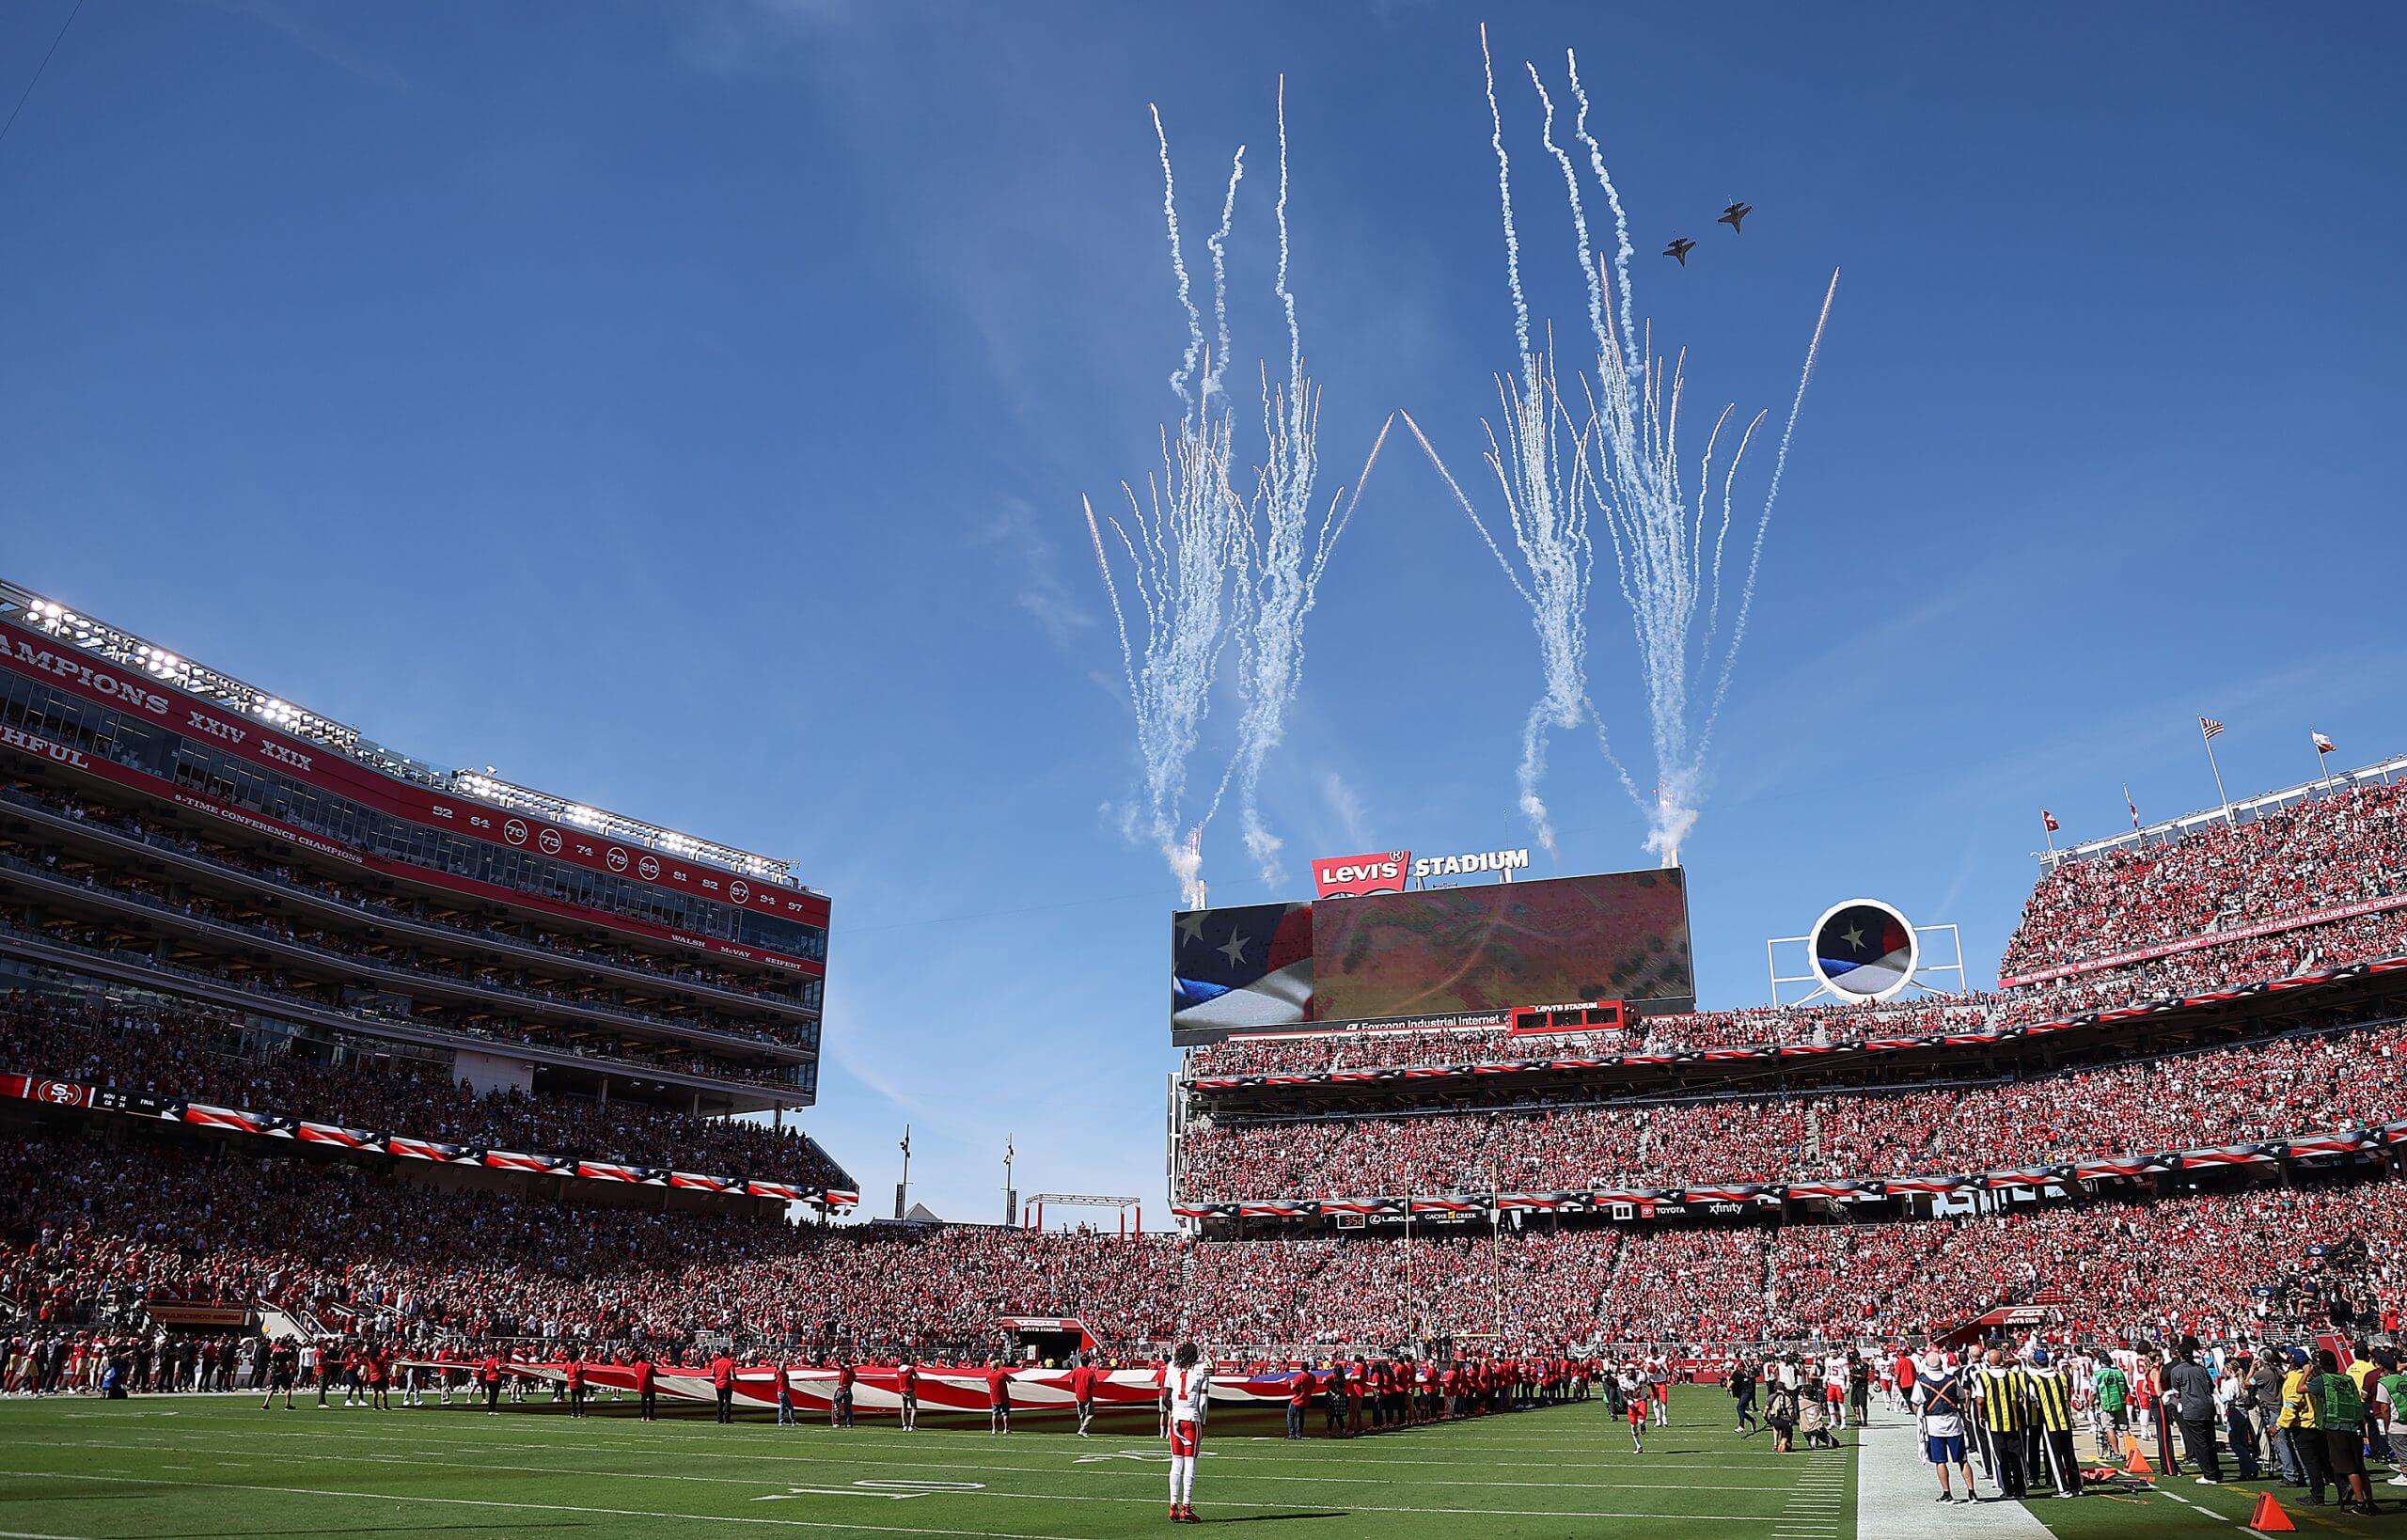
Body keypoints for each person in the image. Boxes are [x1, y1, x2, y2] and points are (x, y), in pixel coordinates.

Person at [2314, 1348, 2379, 1516]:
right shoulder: (2347, 1379)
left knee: (2350, 1468)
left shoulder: (2323, 1380)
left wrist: (2307, 1372)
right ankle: (2370, 1502)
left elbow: (2301, 1389)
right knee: (2360, 1467)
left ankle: (2360, 1503)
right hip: (2353, 1424)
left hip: (2335, 1426)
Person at [1914, 1353, 1977, 1506]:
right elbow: (1962, 1397)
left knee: (1940, 1460)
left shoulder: (1921, 1381)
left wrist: (1920, 1416)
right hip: (1953, 1421)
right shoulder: (1952, 1379)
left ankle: (1947, 1493)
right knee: (1962, 1459)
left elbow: (1915, 1403)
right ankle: (1972, 1492)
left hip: (1934, 1424)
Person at [2165, 1337, 2222, 1484]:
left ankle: (2209, 1474)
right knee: (2210, 1440)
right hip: (2207, 1406)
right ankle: (2215, 1471)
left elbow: (2177, 1393)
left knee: (2200, 1443)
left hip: (2192, 1409)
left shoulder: (2177, 1370)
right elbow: (2211, 1387)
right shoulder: (2201, 1369)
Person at [2026, 1349, 2082, 1498]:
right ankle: (2076, 1486)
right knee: (2069, 1455)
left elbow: (2033, 1398)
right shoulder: (2062, 1377)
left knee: (2055, 1456)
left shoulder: (2035, 1380)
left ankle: (2063, 1488)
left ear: (2036, 1363)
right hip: (2065, 1420)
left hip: (2050, 1421)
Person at [1166, 1342, 1209, 1523]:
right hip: (1191, 1418)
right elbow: (1203, 1402)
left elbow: (1165, 1398)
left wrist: (1175, 1411)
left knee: (1176, 1462)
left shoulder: (1171, 1367)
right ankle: (1186, 1507)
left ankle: (1173, 1506)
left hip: (1176, 1418)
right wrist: (1203, 1421)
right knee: (1190, 1462)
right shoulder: (1203, 1369)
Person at [2280, 1347, 2330, 1505]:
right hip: (2317, 1423)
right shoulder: (2311, 1377)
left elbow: (2291, 1405)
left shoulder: (2294, 1380)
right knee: (2325, 1460)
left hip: (2303, 1425)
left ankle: (2317, 1495)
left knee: (2311, 1463)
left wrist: (2279, 1425)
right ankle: (2343, 1486)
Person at [1621, 1362, 1649, 1454]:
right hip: (1632, 1403)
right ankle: (1638, 1446)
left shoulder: (1641, 1376)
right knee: (1633, 1427)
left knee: (1641, 1421)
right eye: (1628, 1370)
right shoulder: (1622, 1379)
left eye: (1632, 1370)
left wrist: (1645, 1377)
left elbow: (1648, 1382)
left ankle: (1643, 1425)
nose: (1630, 1372)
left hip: (1641, 1401)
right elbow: (1623, 1395)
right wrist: (1628, 1401)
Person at [1730, 1355, 1758, 1436]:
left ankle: (1741, 1426)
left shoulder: (1738, 1373)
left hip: (1746, 1392)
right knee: (1740, 1408)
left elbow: (1730, 1384)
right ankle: (1752, 1420)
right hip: (1746, 1392)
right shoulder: (1746, 1372)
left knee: (1740, 1407)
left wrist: (1728, 1380)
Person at [1071, 1357, 1098, 1438]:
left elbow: (1071, 1381)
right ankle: (1083, 1430)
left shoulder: (1076, 1371)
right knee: (1090, 1414)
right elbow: (1095, 1384)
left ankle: (1083, 1430)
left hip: (1078, 1395)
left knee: (1082, 1414)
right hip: (1087, 1395)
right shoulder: (1090, 1373)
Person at [985, 1359, 1012, 1434]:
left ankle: (994, 1429)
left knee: (994, 1413)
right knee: (1005, 1413)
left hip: (994, 1397)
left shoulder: (988, 1375)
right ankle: (1006, 1429)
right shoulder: (1002, 1373)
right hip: (1003, 1397)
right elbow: (1009, 1380)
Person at [711, 1350, 736, 1424]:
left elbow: (712, 1373)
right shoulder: (730, 1362)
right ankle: (727, 1419)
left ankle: (719, 1419)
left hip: (718, 1384)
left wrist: (718, 1377)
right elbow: (732, 1373)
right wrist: (735, 1378)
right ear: (727, 1353)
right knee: (727, 1402)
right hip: (726, 1384)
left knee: (720, 1401)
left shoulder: (716, 1363)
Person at [635, 1355, 658, 1422]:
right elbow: (655, 1374)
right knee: (652, 1401)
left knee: (643, 1402)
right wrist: (666, 1376)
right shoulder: (649, 1365)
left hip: (641, 1386)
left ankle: (643, 1416)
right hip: (649, 1386)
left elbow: (636, 1373)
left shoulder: (637, 1364)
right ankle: (650, 1416)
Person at [832, 1359, 856, 1429]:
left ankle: (836, 1423)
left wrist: (835, 1356)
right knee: (848, 1408)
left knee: (836, 1407)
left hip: (841, 1389)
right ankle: (849, 1424)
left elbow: (839, 1364)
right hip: (848, 1390)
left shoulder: (844, 1369)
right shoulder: (852, 1371)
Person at [897, 1358, 919, 1432]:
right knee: (914, 1407)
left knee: (904, 1408)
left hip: (902, 1391)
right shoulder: (911, 1369)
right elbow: (917, 1377)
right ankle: (911, 1426)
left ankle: (904, 1425)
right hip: (910, 1390)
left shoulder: (898, 1370)